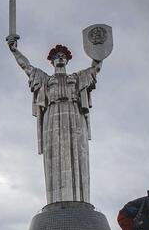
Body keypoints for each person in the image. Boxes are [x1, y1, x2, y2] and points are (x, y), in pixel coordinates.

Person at [7, 37, 103, 204]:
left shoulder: (77, 77)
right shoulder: (45, 79)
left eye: (63, 56)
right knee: (54, 156)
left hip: (73, 113)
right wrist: (16, 51)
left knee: (76, 154)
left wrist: (99, 52)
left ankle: (78, 200)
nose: (60, 58)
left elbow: (95, 69)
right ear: (51, 61)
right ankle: (56, 201)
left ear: (66, 60)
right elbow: (27, 68)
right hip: (52, 116)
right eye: (56, 56)